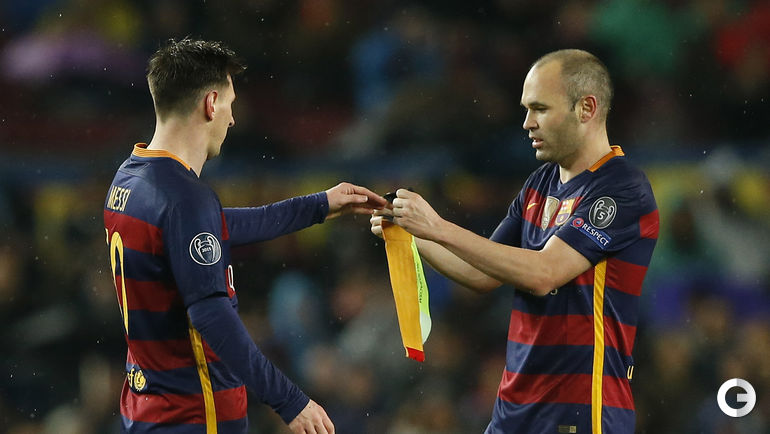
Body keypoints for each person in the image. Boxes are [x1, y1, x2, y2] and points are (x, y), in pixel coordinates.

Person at [103, 38, 386, 434]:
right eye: (231, 104)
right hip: (195, 414)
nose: (233, 119)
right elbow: (211, 315)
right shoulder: (186, 198)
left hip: (147, 409)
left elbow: (217, 227)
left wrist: (320, 205)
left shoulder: (130, 179)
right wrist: (291, 401)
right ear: (211, 103)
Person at [371, 49, 659, 433]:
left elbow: (544, 273)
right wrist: (411, 232)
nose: (527, 123)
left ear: (586, 108)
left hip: (580, 412)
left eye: (540, 109)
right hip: (514, 411)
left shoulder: (622, 189)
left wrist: (437, 226)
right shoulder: (539, 183)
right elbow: (481, 274)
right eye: (526, 109)